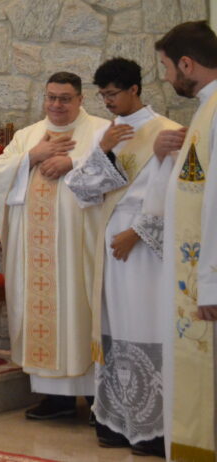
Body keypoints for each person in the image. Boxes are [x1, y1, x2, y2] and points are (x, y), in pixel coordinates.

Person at [63, 58, 178, 456]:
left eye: (113, 93)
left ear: (134, 89)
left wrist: (139, 232)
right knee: (115, 326)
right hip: (110, 245)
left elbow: (174, 193)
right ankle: (118, 421)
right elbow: (82, 189)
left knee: (145, 325)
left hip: (146, 250)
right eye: (103, 95)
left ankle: (153, 429)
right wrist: (106, 153)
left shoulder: (165, 131)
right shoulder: (111, 134)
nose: (108, 102)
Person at [0, 72, 109, 420]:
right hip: (34, 249)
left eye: (65, 98)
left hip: (78, 247)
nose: (56, 105)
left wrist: (72, 162)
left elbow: (119, 171)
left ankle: (97, 399)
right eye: (51, 97)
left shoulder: (100, 131)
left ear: (81, 99)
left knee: (79, 310)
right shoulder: (28, 136)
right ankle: (55, 399)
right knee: (42, 317)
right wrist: (33, 156)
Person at [151, 21, 217, 461]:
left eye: (168, 67)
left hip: (207, 281)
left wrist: (210, 282)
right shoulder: (206, 111)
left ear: (187, 64)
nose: (168, 76)